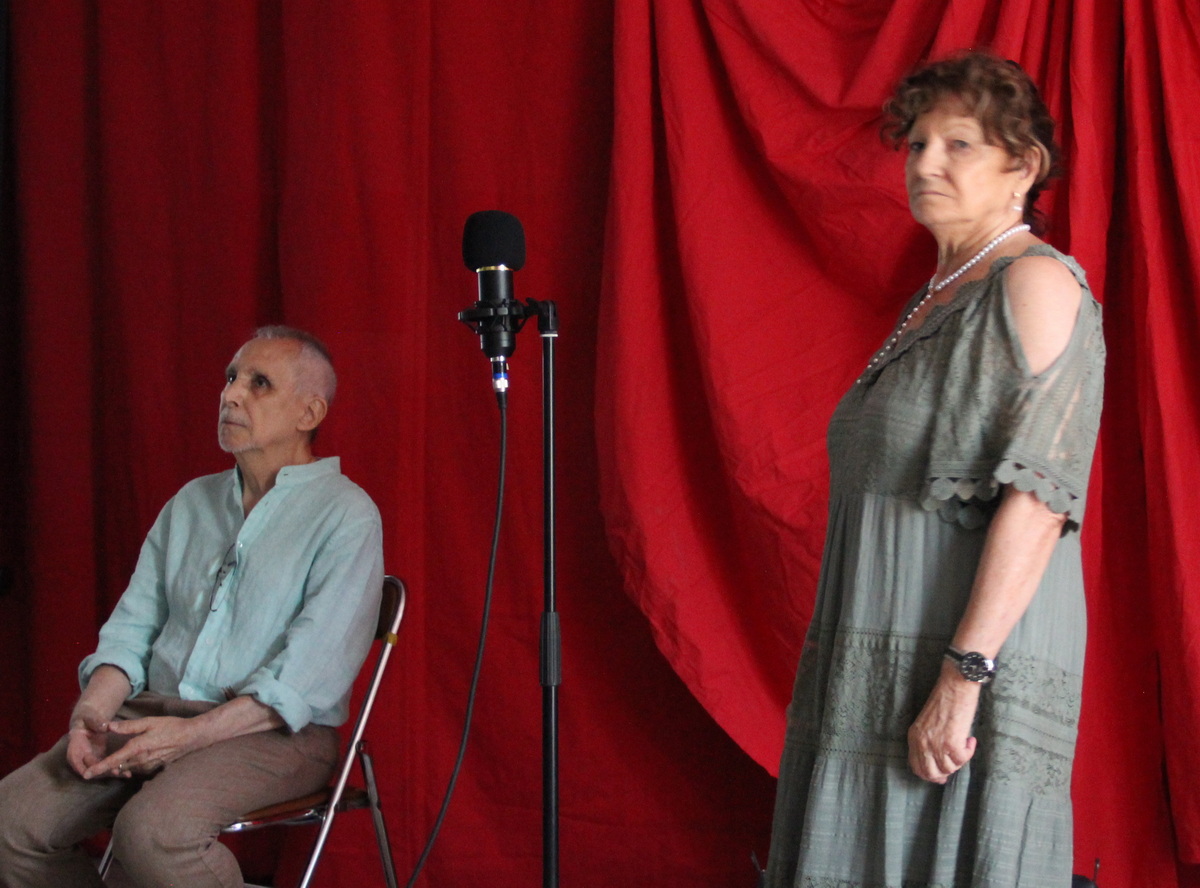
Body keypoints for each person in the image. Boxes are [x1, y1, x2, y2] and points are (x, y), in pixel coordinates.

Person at [764, 52, 1104, 887]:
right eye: (917, 144)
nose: (924, 164)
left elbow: (1038, 500)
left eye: (959, 144)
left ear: (1023, 166)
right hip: (879, 648)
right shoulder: (940, 294)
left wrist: (964, 676)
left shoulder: (1035, 282)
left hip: (964, 663)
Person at [0, 326, 385, 888]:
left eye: (259, 383)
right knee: (10, 823)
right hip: (152, 713)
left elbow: (304, 679)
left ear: (309, 413)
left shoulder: (346, 515)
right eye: (231, 378)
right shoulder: (190, 503)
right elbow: (132, 631)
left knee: (152, 833)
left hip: (274, 734)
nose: (231, 394)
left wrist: (188, 737)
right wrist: (91, 714)